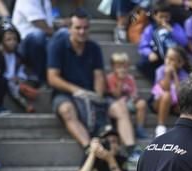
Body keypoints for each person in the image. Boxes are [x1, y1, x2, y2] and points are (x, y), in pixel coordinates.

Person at [47, 10, 141, 161]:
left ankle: (131, 149)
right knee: (66, 110)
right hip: (65, 94)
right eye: (78, 28)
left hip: (91, 93)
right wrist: (76, 90)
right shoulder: (57, 46)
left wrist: (97, 96)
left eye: (85, 28)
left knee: (120, 107)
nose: (82, 31)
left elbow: (98, 75)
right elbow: (52, 78)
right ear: (70, 28)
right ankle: (89, 148)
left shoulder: (94, 47)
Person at [150, 46, 191, 137]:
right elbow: (166, 88)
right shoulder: (160, 70)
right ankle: (160, 126)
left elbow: (179, 93)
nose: (168, 61)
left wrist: (175, 74)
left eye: (172, 59)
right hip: (159, 102)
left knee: (188, 105)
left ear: (180, 63)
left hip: (175, 104)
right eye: (167, 57)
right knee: (167, 95)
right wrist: (168, 74)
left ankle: (186, 130)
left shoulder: (183, 75)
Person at [107, 52, 149, 140]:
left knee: (142, 103)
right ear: (113, 67)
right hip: (116, 103)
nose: (122, 69)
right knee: (121, 105)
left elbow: (134, 93)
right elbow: (116, 95)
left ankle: (139, 128)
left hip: (129, 101)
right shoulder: (110, 78)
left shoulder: (130, 78)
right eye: (119, 67)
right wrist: (120, 81)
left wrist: (134, 98)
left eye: (124, 67)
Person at [11, 0, 54, 84]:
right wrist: (57, 34)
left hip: (43, 40)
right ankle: (40, 77)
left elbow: (49, 24)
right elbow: (40, 24)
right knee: (38, 36)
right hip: (21, 44)